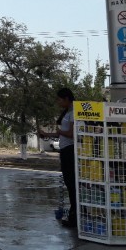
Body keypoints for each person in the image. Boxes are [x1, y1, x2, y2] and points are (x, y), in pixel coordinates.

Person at [38, 88, 76, 227]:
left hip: (70, 151)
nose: (58, 102)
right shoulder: (67, 113)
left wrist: (60, 131)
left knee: (72, 183)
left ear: (66, 99)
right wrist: (47, 134)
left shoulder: (73, 113)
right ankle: (73, 213)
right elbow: (62, 134)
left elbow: (71, 134)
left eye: (59, 99)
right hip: (65, 150)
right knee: (68, 182)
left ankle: (74, 216)